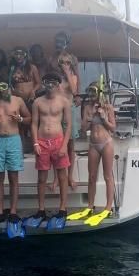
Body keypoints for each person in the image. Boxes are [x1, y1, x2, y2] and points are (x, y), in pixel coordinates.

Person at [69, 82, 116, 226]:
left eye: (93, 92)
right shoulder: (88, 108)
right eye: (89, 92)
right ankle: (90, 206)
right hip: (93, 145)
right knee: (91, 177)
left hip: (106, 143)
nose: (90, 95)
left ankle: (108, 207)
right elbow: (83, 129)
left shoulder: (108, 108)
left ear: (100, 93)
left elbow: (113, 128)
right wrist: (89, 118)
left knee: (108, 176)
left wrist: (103, 118)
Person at [0, 81, 30, 224]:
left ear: (9, 88)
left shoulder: (18, 101)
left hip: (13, 140)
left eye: (4, 87)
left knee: (13, 177)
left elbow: (29, 118)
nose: (2, 90)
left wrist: (20, 119)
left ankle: (13, 211)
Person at [29, 72, 71, 226]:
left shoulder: (64, 102)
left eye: (53, 82)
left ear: (58, 84)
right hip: (42, 142)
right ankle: (41, 209)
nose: (50, 84)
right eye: (47, 81)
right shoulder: (37, 102)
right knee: (41, 178)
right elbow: (33, 124)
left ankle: (63, 208)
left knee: (62, 176)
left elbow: (68, 125)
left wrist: (65, 144)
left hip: (59, 141)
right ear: (44, 83)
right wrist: (35, 143)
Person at [49, 30, 80, 190]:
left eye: (67, 63)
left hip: (70, 111)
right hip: (56, 112)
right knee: (57, 145)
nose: (64, 65)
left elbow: (74, 91)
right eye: (62, 62)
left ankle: (70, 176)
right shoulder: (54, 79)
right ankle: (56, 178)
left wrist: (68, 73)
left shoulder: (72, 76)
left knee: (70, 146)